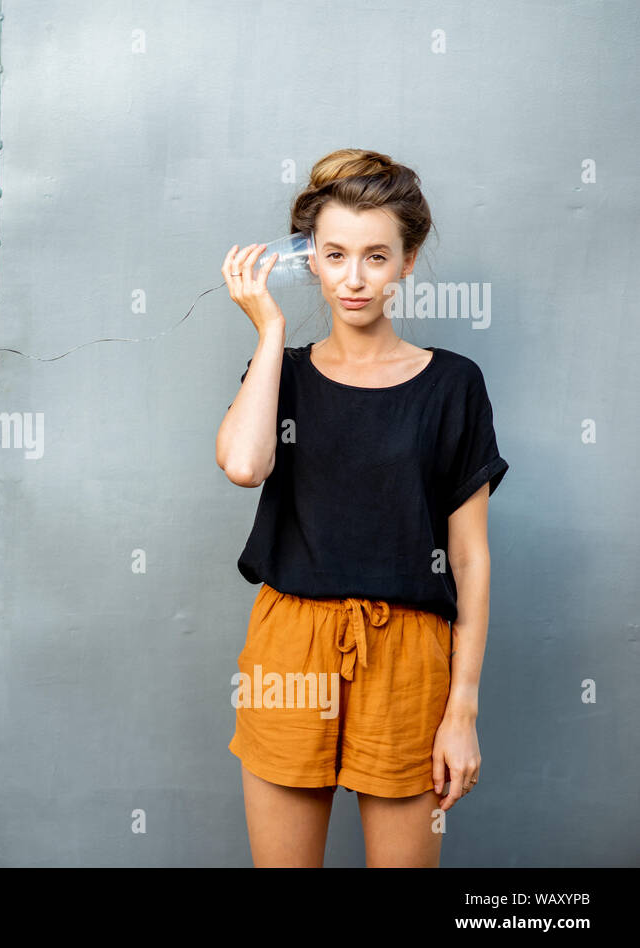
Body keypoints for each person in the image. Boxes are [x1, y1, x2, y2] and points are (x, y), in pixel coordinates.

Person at [216, 148, 508, 867]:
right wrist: (271, 330)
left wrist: (462, 707)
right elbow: (245, 464)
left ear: (407, 262)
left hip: (410, 658)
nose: (354, 277)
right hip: (292, 647)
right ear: (308, 259)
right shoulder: (280, 371)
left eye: (377, 256)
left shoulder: (452, 385)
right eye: (335, 253)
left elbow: (469, 555)